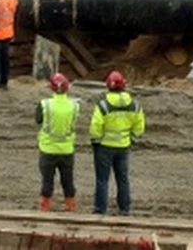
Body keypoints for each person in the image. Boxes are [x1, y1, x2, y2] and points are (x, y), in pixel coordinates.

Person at [89, 70, 145, 216]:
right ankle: (124, 209)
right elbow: (139, 126)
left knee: (102, 180)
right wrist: (132, 139)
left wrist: (96, 141)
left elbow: (95, 126)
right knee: (123, 179)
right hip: (123, 147)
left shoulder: (103, 106)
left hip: (104, 147)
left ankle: (100, 209)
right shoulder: (134, 105)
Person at [36, 73, 79, 212]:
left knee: (47, 181)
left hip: (48, 149)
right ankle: (70, 207)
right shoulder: (74, 105)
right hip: (66, 149)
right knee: (68, 181)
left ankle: (44, 208)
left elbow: (38, 120)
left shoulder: (44, 104)